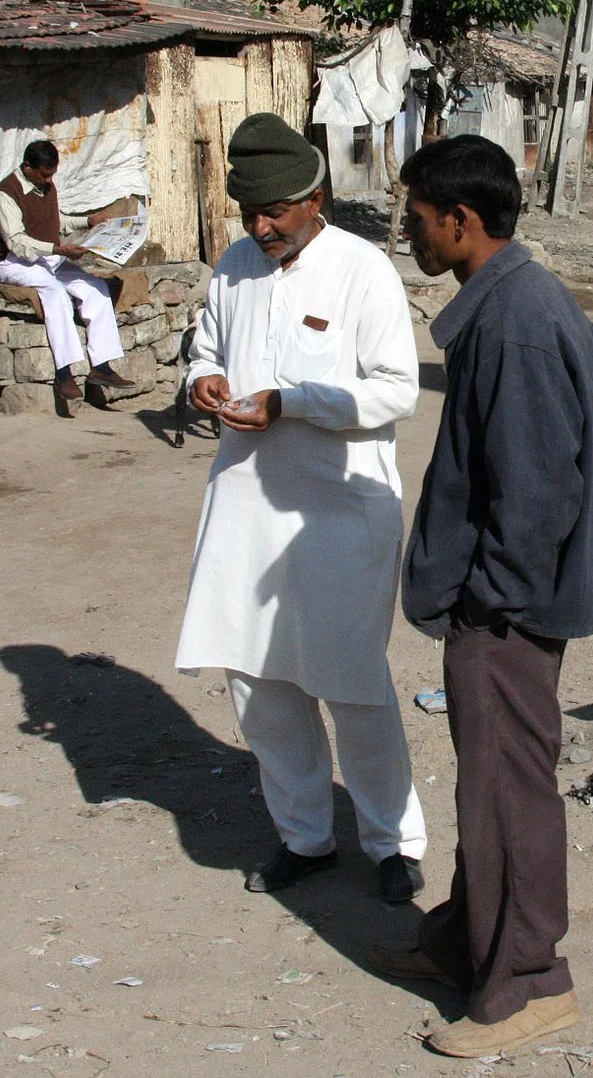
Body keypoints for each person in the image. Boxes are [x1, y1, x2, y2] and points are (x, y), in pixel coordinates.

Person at [366, 136, 593, 1058]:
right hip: (501, 601)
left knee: (508, 788)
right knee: (489, 780)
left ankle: (531, 980)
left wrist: (493, 601)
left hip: (507, 611)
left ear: (461, 221)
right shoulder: (508, 302)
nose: (407, 232)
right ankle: (466, 940)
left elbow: (535, 493)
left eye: (416, 218)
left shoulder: (516, 322)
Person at [174, 113, 429, 904]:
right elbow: (207, 345)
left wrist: (294, 401)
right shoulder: (233, 267)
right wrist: (202, 380)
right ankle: (306, 836)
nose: (260, 228)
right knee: (257, 679)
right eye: (249, 214)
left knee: (351, 680)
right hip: (247, 505)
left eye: (274, 213)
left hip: (340, 511)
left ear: (313, 196)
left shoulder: (363, 271)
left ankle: (393, 841)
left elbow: (397, 388)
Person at [0, 139, 138, 397]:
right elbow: (16, 243)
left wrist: (88, 222)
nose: (49, 180)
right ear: (27, 168)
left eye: (51, 175)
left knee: (97, 288)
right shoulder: (7, 194)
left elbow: (57, 221)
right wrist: (58, 250)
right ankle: (64, 373)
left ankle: (101, 366)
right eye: (45, 174)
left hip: (47, 259)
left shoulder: (45, 186)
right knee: (55, 291)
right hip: (14, 262)